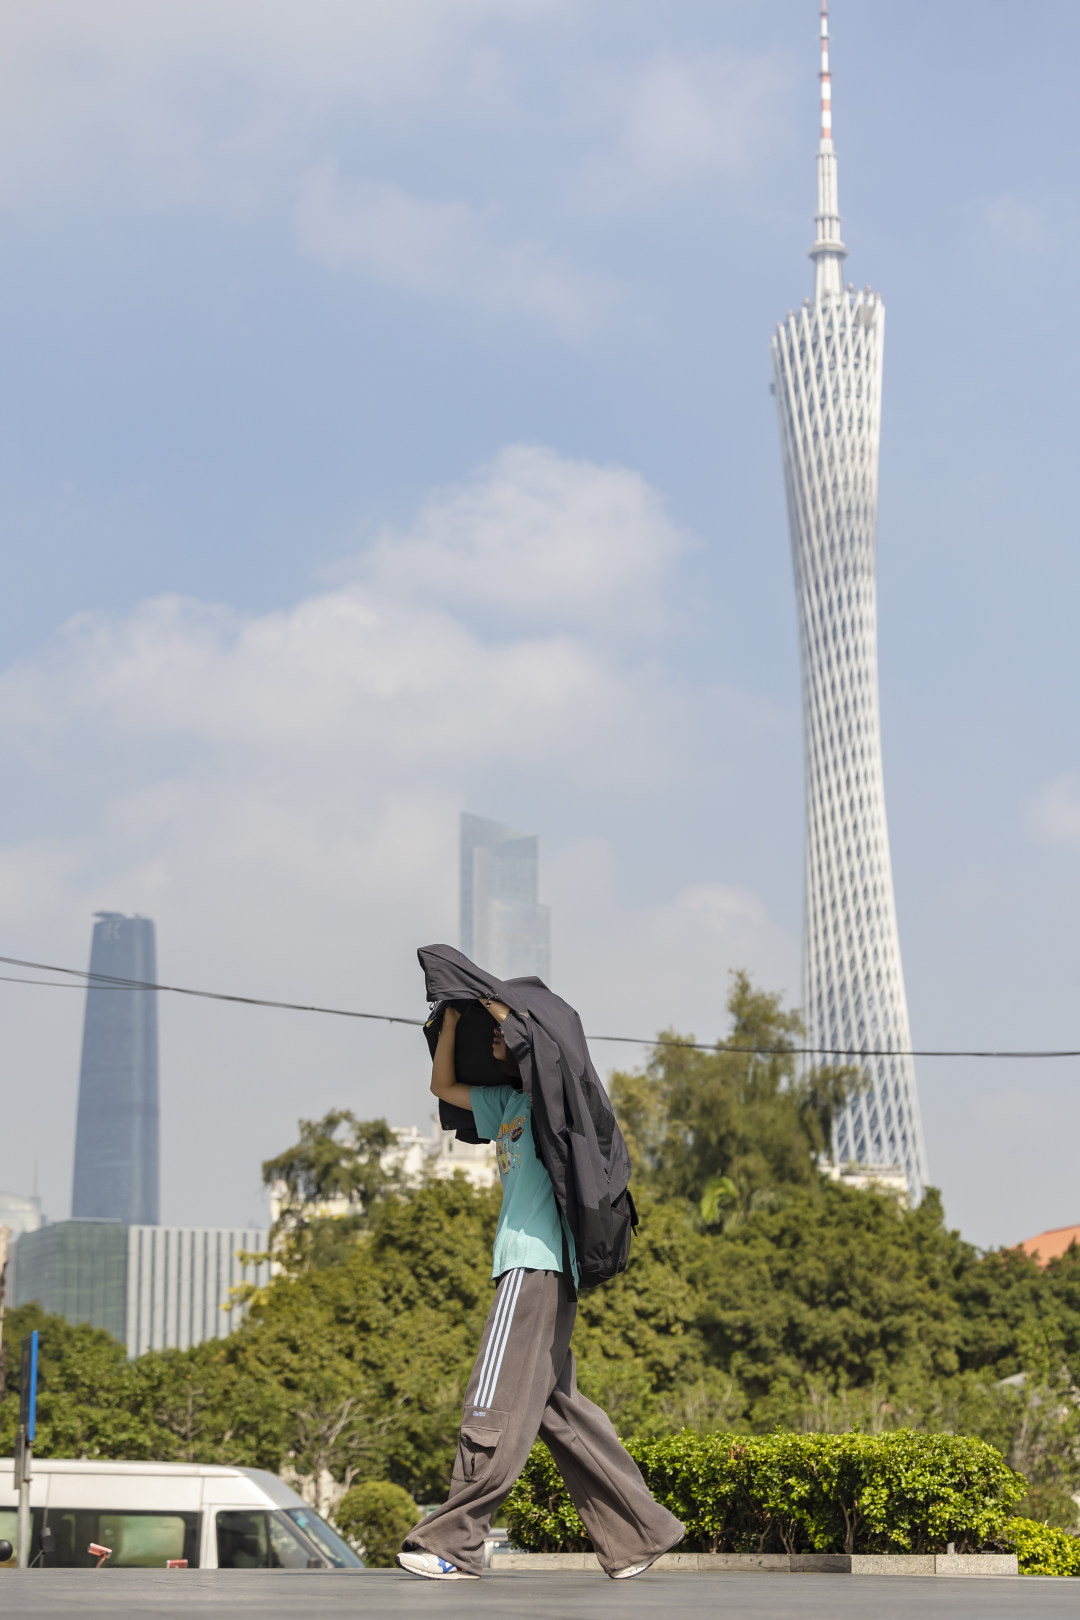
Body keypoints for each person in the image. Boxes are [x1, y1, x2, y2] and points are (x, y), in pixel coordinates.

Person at [397, 998, 683, 1581]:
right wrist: (452, 1022)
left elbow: (548, 1054)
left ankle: (455, 1543)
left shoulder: (555, 1104)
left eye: (502, 1031)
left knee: (491, 1402)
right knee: (560, 1412)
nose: (494, 1036)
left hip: (534, 1266)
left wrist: (499, 1005)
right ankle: (639, 1535)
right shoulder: (507, 1104)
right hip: (534, 1271)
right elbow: (442, 1086)